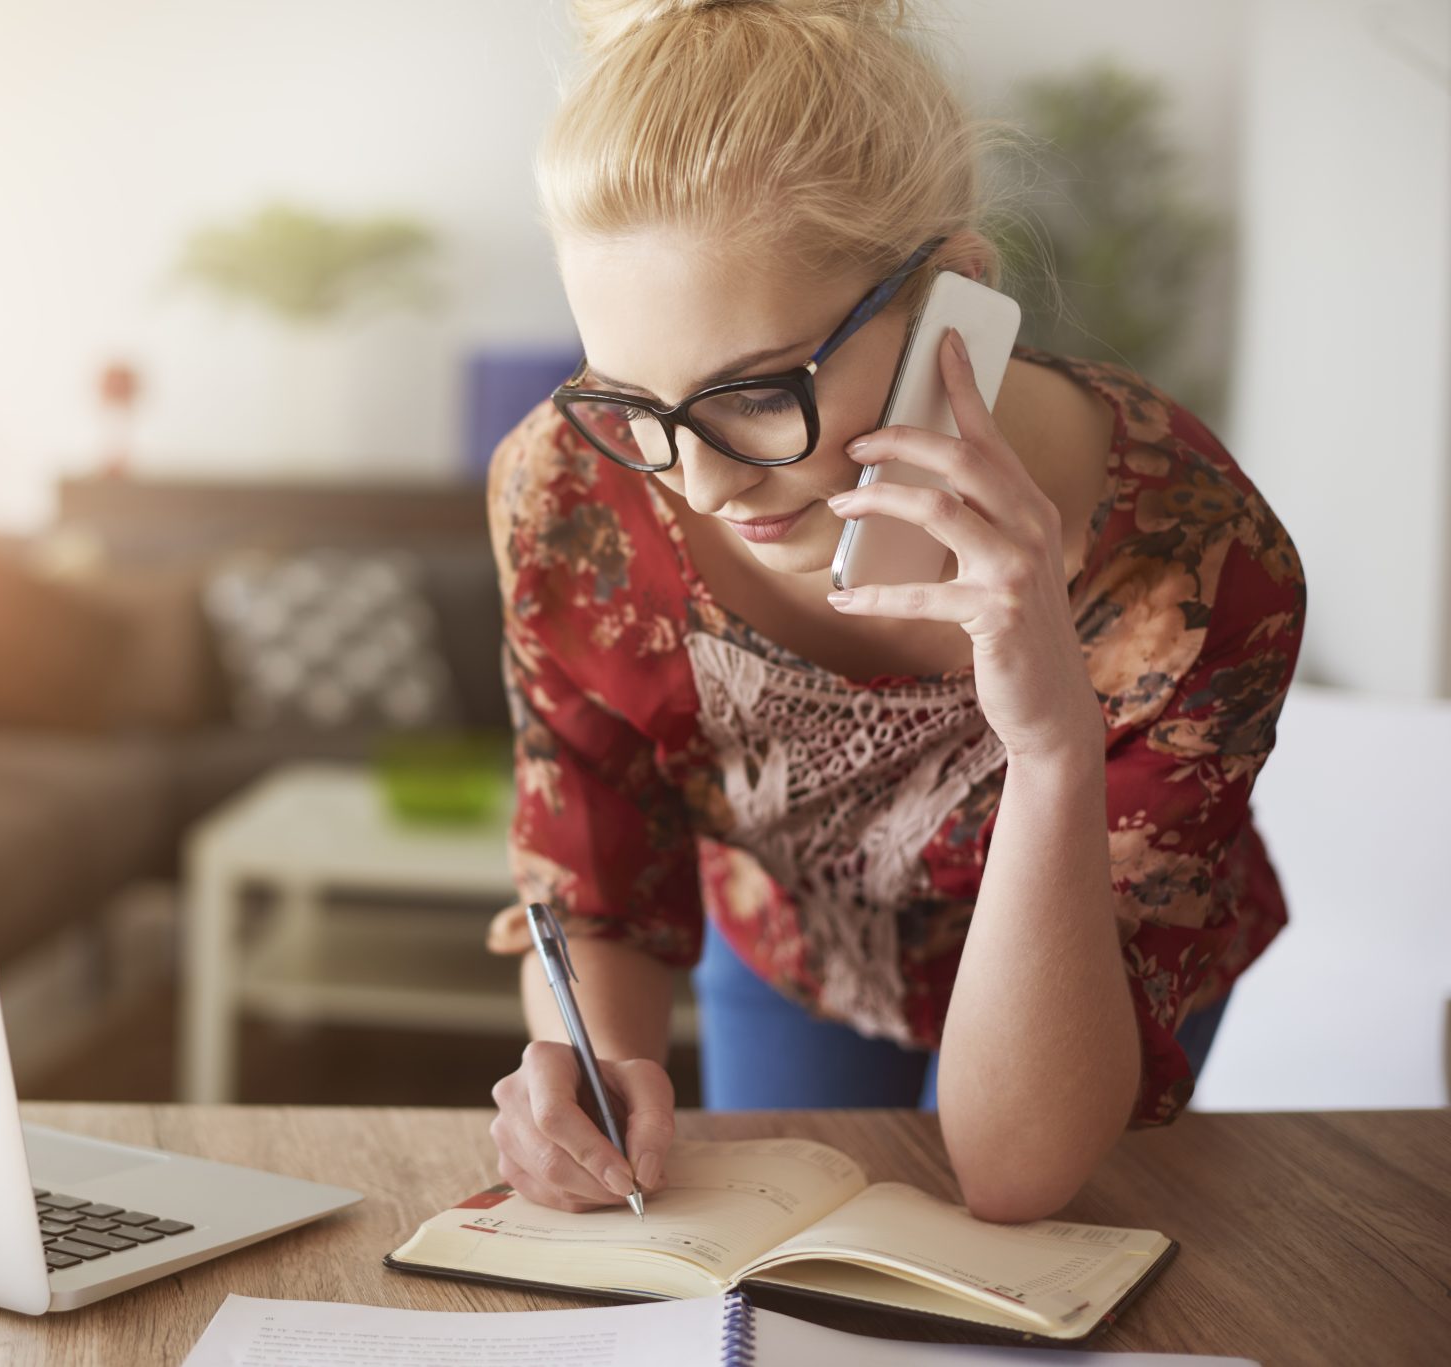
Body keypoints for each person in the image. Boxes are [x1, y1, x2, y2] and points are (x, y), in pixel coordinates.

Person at [482, 0, 1306, 1225]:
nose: (697, 479)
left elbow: (1014, 1169)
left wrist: (1047, 744)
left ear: (953, 298)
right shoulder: (574, 485)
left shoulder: (1193, 567)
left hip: (1099, 949)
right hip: (788, 942)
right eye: (628, 397)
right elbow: (595, 852)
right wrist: (585, 1085)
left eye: (756, 394)